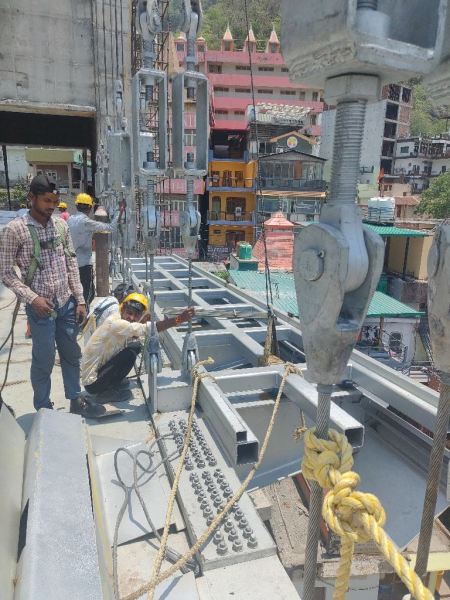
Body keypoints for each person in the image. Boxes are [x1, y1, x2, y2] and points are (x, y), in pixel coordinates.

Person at [0, 174, 106, 419]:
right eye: (46, 200)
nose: (51, 206)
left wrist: (80, 300)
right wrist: (32, 298)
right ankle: (44, 408)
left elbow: (71, 264)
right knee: (44, 359)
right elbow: (5, 272)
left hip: (66, 303)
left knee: (71, 353)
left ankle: (75, 400)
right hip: (41, 308)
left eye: (54, 201)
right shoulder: (15, 230)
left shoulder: (61, 226)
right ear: (32, 197)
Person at [82, 293, 195, 402]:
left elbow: (132, 335)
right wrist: (180, 319)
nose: (131, 317)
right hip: (93, 384)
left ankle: (110, 382)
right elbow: (152, 328)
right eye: (129, 312)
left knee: (134, 346)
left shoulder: (118, 320)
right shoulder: (116, 323)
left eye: (136, 315)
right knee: (131, 353)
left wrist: (142, 322)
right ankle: (107, 391)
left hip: (96, 374)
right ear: (122, 309)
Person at [68, 193, 125, 308]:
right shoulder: (87, 222)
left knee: (75, 294)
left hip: (70, 264)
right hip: (83, 265)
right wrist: (120, 210)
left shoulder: (70, 220)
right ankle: (83, 317)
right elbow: (111, 227)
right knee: (87, 295)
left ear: (76, 206)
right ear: (90, 207)